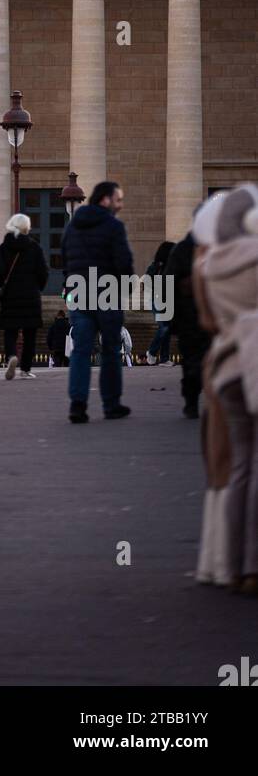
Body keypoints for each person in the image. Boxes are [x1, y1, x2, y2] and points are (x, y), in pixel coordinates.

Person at [194, 185, 258, 597]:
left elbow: (208, 323)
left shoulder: (209, 267)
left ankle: (231, 564)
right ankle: (253, 565)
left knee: (238, 467)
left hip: (224, 368)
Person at [61, 181, 135, 423]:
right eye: (118, 200)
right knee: (111, 351)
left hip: (80, 294)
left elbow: (64, 259)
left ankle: (77, 406)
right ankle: (111, 404)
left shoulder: (72, 227)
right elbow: (123, 262)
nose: (121, 205)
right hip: (107, 294)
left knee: (81, 351)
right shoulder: (113, 226)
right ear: (105, 200)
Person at [165, 226, 212, 419]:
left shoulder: (181, 249)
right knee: (204, 359)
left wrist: (172, 318)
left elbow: (169, 283)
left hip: (188, 316)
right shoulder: (217, 245)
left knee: (192, 360)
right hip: (203, 314)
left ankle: (191, 400)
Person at [0, 213, 49, 380]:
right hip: (30, 297)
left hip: (9, 297)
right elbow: (43, 272)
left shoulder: (3, 248)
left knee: (10, 331)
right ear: (27, 228)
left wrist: (1, 287)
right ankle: (25, 369)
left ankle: (11, 355)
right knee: (30, 334)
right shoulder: (35, 247)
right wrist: (37, 288)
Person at [145, 240, 175, 365]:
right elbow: (146, 280)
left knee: (167, 329)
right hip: (157, 299)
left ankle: (164, 358)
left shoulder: (173, 265)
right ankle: (151, 352)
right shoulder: (157, 266)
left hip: (168, 300)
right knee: (164, 327)